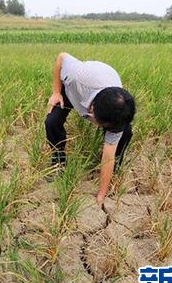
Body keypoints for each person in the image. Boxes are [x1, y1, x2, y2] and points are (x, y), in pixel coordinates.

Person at [45, 52, 136, 206]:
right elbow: (62, 57)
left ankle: (115, 169)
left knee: (125, 132)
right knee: (52, 122)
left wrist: (101, 194)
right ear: (92, 110)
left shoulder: (118, 111)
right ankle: (58, 162)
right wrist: (56, 92)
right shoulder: (76, 75)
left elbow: (108, 156)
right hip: (72, 90)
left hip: (104, 95)